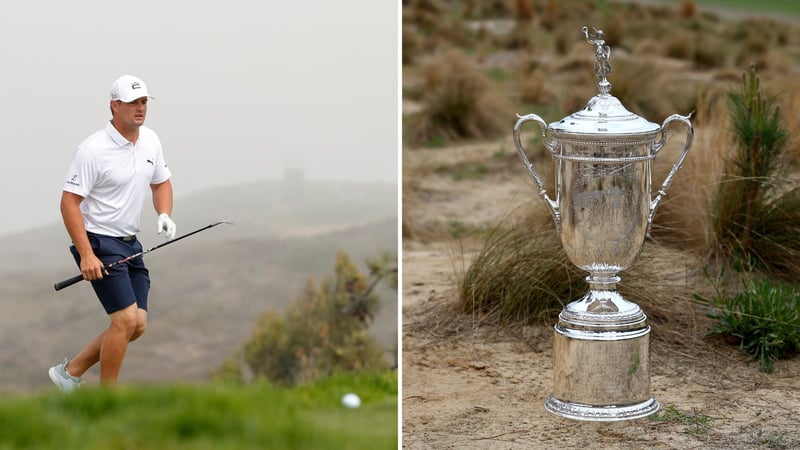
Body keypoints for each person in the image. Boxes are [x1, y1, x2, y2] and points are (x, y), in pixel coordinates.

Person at [48, 74, 176, 391]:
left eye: (144, 101)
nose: (140, 108)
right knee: (124, 320)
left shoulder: (151, 140)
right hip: (98, 242)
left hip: (130, 242)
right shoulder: (92, 150)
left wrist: (164, 214)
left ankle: (69, 373)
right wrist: (87, 255)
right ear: (114, 105)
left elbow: (161, 182)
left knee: (138, 324)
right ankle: (108, 401)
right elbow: (69, 203)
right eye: (132, 102)